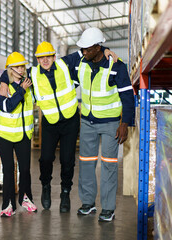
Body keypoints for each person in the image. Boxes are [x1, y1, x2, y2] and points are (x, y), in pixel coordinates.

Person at [0, 42, 117, 213]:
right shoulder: (32, 73)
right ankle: (45, 186)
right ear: (37, 59)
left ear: (54, 57)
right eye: (41, 57)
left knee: (67, 160)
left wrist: (105, 49)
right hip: (50, 122)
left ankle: (65, 193)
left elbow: (89, 49)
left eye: (48, 56)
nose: (45, 60)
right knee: (46, 158)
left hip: (70, 121)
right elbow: (13, 69)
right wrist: (3, 81)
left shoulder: (65, 63)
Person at [75, 27, 134, 222]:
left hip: (110, 124)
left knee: (109, 165)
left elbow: (127, 96)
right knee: (86, 163)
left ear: (98, 47)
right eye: (82, 49)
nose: (84, 52)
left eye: (87, 49)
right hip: (87, 122)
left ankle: (108, 208)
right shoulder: (80, 61)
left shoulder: (117, 66)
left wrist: (125, 123)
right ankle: (88, 203)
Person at [0, 52, 37, 217]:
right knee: (8, 169)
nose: (22, 69)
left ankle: (26, 198)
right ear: (10, 69)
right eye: (17, 66)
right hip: (4, 136)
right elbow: (8, 106)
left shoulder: (28, 86)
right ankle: (8, 204)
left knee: (25, 169)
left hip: (23, 135)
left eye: (23, 66)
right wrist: (20, 90)